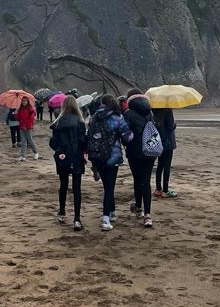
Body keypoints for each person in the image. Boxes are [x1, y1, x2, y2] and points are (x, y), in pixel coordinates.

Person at [87, 94, 131, 231]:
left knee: (107, 185)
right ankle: (106, 218)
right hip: (112, 156)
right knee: (109, 188)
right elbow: (127, 137)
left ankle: (112, 212)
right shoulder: (117, 118)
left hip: (96, 156)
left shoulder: (94, 117)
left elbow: (89, 135)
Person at [49, 95, 88, 231]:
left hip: (62, 156)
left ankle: (62, 212)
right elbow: (84, 142)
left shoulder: (58, 123)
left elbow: (53, 142)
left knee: (63, 185)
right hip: (76, 156)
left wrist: (60, 149)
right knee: (77, 187)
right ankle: (77, 219)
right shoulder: (80, 122)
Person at [122, 87, 157, 228]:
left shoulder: (128, 114)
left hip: (134, 152)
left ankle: (138, 208)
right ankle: (148, 215)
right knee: (146, 182)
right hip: (150, 151)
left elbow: (126, 136)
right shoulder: (149, 112)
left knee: (137, 180)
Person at [152, 107, 177, 198]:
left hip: (158, 141)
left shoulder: (153, 110)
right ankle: (165, 190)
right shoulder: (167, 110)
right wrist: (174, 125)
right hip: (168, 142)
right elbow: (170, 126)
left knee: (160, 165)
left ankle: (158, 188)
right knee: (167, 166)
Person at [15, 96, 39, 161]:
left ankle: (36, 152)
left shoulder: (30, 109)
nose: (23, 102)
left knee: (30, 140)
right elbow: (18, 119)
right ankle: (23, 156)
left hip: (28, 127)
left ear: (27, 101)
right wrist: (16, 113)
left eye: (25, 101)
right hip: (21, 127)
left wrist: (26, 126)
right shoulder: (20, 109)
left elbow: (31, 119)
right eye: (22, 101)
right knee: (23, 142)